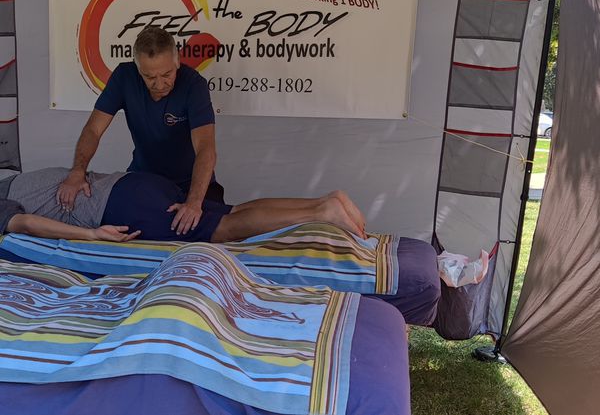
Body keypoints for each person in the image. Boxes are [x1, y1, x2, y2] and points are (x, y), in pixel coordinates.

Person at [58, 26, 223, 237]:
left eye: (167, 74)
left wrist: (194, 202)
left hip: (192, 184)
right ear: (138, 69)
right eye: (149, 77)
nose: (160, 84)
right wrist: (77, 171)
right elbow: (93, 129)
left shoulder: (194, 85)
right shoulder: (124, 77)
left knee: (215, 232)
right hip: (144, 181)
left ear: (177, 62)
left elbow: (205, 147)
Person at [2, 168, 367, 243]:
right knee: (232, 211)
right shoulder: (16, 180)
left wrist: (92, 235)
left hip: (119, 206)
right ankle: (323, 201)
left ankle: (321, 213)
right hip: (135, 183)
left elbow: (25, 224)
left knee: (221, 231)